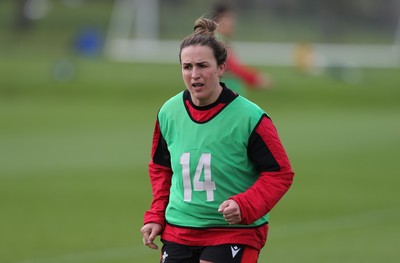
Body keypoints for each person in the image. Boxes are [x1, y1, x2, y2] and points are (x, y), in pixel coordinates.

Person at [140, 17, 294, 263]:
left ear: (222, 67)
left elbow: (280, 173)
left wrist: (244, 205)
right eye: (187, 67)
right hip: (180, 230)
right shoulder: (168, 112)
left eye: (202, 65)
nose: (194, 74)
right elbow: (161, 168)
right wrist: (156, 216)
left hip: (234, 231)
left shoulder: (250, 117)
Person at [212, 4, 271, 96]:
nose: (233, 23)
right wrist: (255, 79)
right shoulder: (218, 41)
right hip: (226, 95)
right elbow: (233, 67)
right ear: (219, 20)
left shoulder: (216, 39)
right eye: (229, 19)